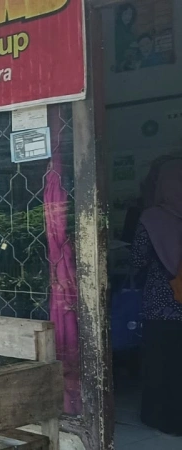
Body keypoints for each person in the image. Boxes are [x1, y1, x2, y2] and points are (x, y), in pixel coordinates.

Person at [132, 159, 182, 436]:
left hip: (161, 306)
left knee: (161, 363)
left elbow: (139, 257)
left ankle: (161, 418)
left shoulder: (153, 218)